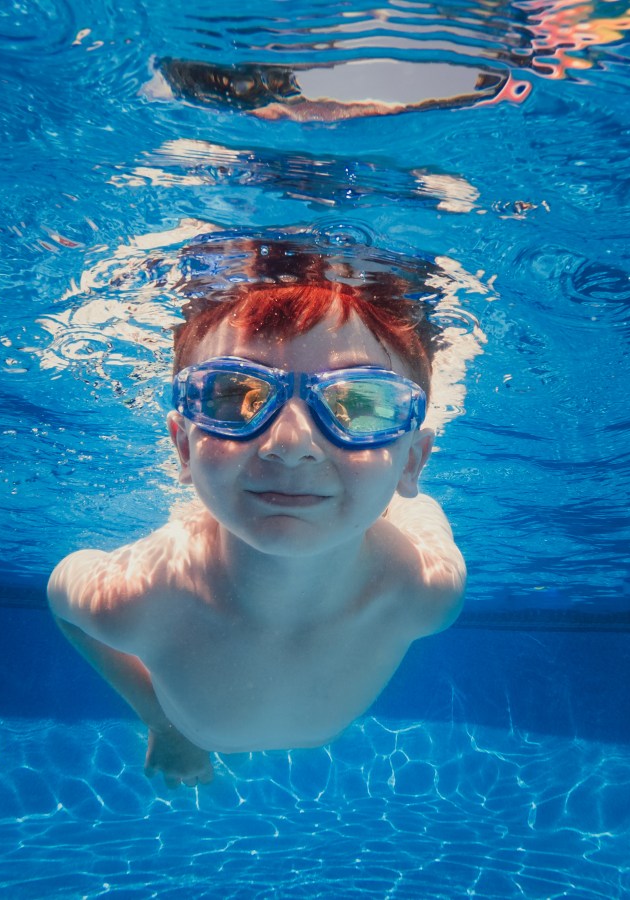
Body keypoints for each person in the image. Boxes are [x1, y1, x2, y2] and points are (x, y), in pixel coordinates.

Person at [47, 238, 466, 787]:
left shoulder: (425, 590)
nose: (290, 445)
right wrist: (162, 722)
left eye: (360, 405)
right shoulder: (137, 597)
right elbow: (63, 599)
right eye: (234, 396)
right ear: (184, 450)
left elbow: (421, 513)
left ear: (411, 462)